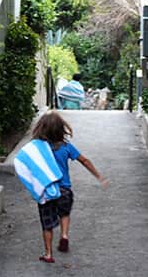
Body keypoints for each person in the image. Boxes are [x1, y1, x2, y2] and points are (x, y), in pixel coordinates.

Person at [32, 110, 108, 263]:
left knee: (47, 224)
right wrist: (99, 176)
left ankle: (48, 254)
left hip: (47, 191)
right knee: (64, 214)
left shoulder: (39, 149)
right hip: (64, 190)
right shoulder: (66, 147)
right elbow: (84, 160)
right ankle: (64, 235)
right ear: (61, 129)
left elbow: (28, 165)